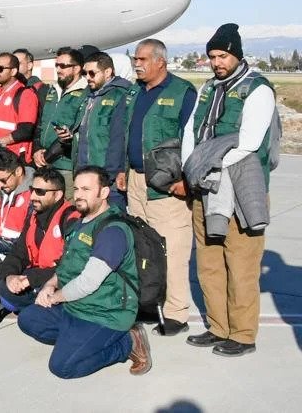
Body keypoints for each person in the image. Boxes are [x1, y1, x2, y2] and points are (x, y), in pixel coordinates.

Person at [182, 23, 276, 357]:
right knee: (208, 262)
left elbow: (249, 143)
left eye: (222, 55)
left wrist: (207, 162)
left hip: (239, 188)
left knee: (241, 265)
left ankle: (243, 334)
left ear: (236, 53)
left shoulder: (257, 89)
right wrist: (191, 166)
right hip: (206, 187)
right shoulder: (208, 88)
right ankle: (218, 326)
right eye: (212, 57)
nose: (217, 62)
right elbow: (191, 134)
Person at [17, 166, 152, 379]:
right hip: (76, 306)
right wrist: (50, 284)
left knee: (63, 367)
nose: (79, 195)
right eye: (77, 188)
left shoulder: (113, 230)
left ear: (104, 192)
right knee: (28, 319)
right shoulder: (81, 223)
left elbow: (88, 282)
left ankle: (128, 343)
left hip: (105, 313)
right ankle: (77, 341)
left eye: (86, 189)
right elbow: (67, 267)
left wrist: (55, 297)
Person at [119, 38, 197, 336]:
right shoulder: (135, 92)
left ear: (160, 61)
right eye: (134, 59)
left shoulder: (182, 93)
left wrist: (185, 181)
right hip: (136, 180)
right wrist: (124, 170)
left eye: (141, 59)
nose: (136, 64)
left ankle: (176, 312)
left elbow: (192, 140)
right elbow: (128, 133)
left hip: (167, 184)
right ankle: (151, 303)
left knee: (172, 248)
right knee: (145, 247)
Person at [0, 167, 79, 313]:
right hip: (36, 279)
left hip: (59, 282)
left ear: (58, 195)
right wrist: (10, 276)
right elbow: (18, 252)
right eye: (32, 190)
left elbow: (72, 266)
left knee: (30, 316)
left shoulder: (71, 219)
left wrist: (32, 278)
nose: (33, 196)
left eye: (40, 192)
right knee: (4, 287)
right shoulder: (34, 217)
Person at [71, 52, 131, 201]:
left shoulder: (120, 95)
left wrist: (108, 175)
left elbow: (118, 139)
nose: (88, 77)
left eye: (92, 73)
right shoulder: (90, 95)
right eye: (85, 73)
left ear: (108, 72)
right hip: (86, 174)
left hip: (106, 179)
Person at [32, 47, 89, 194]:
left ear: (77, 68)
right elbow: (41, 124)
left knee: (67, 209)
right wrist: (37, 150)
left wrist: (46, 156)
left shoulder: (86, 93)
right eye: (57, 65)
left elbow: (74, 131)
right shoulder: (52, 89)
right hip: (45, 162)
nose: (58, 69)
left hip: (65, 165)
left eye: (63, 66)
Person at [0, 52, 38, 163]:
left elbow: (25, 130)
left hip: (12, 158)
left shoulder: (25, 94)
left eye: (0, 69)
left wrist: (0, 141)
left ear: (13, 71)